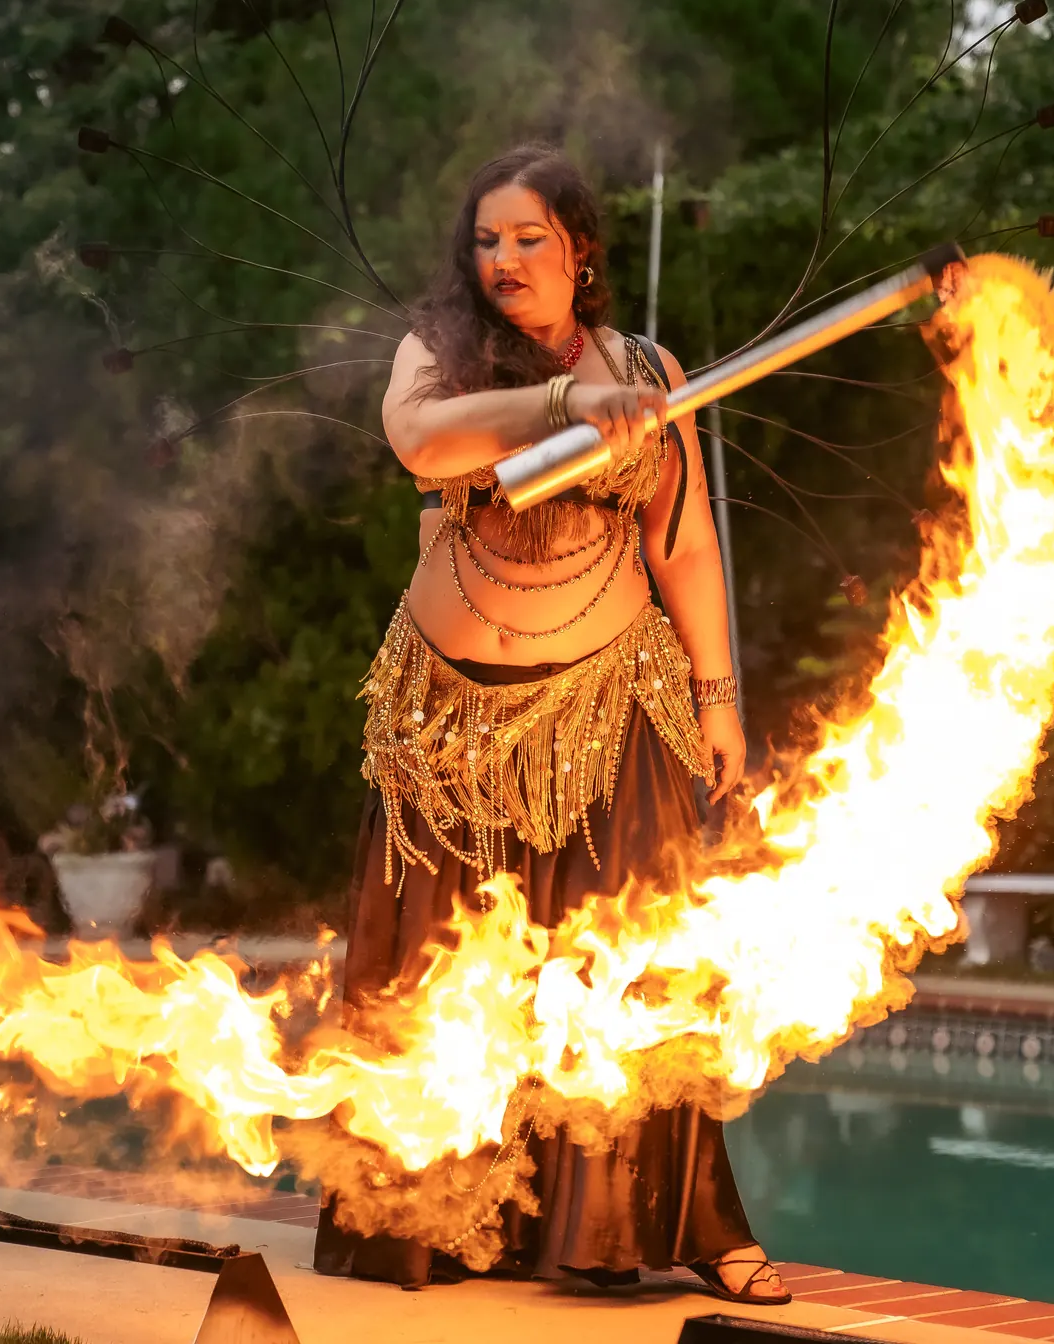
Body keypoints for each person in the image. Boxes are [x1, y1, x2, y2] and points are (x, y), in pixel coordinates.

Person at [313, 142, 789, 1303]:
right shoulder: (440, 353)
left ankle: (665, 1226)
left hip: (612, 705)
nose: (504, 259)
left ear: (581, 250)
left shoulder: (645, 365)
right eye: (485, 239)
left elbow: (679, 538)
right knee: (430, 974)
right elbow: (420, 442)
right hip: (447, 726)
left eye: (529, 237)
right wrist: (567, 402)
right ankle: (428, 1222)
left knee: (631, 965)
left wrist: (719, 701)